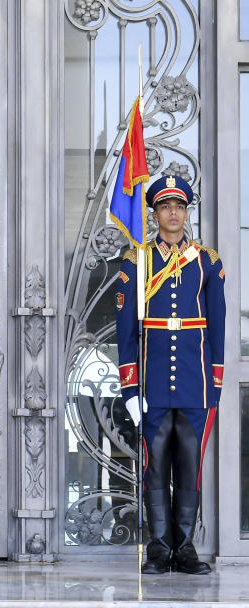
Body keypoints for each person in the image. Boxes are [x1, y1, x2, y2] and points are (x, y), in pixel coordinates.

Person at [115, 174, 225, 575]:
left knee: (190, 465)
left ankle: (186, 549)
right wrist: (130, 386)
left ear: (186, 211)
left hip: (196, 382)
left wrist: (215, 383)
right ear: (155, 213)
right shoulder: (138, 260)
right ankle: (159, 549)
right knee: (155, 465)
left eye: (179, 206)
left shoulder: (207, 261)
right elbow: (124, 329)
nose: (173, 213)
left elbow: (218, 324)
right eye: (165, 207)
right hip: (153, 380)